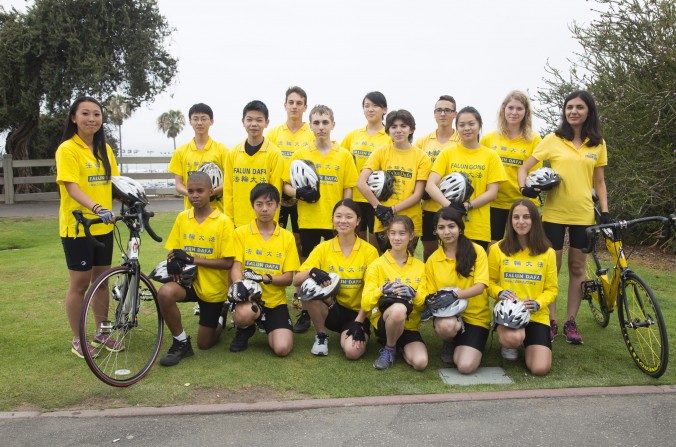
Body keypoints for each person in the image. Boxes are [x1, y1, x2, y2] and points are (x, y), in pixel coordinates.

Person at [518, 90, 610, 344]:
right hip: (554, 214)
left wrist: (605, 211)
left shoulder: (597, 143)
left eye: (579, 107)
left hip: (584, 215)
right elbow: (525, 167)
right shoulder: (553, 139)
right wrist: (525, 187)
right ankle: (550, 320)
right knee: (552, 269)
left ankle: (571, 321)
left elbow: (599, 181)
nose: (573, 111)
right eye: (569, 107)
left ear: (588, 111)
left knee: (578, 268)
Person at [282, 105, 358, 333]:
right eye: (316, 123)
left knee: (338, 266)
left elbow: (348, 190)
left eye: (325, 122)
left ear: (333, 125)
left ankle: (339, 308)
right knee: (309, 268)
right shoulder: (301, 154)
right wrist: (298, 193)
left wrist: (345, 216)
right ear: (310, 125)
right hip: (309, 221)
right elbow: (285, 186)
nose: (321, 127)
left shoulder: (343, 155)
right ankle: (306, 311)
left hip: (335, 223)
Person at [56, 96, 121, 358]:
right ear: (74, 117)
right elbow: (71, 187)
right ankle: (78, 339)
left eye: (96, 114)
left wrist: (133, 200)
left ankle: (102, 333)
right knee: (80, 284)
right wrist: (96, 208)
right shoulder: (67, 149)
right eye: (85, 113)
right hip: (78, 227)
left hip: (103, 228)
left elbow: (115, 183)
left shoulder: (104, 149)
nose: (92, 119)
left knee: (102, 281)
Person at [157, 171, 236, 366]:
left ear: (210, 192)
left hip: (213, 289)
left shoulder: (224, 222)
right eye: (191, 191)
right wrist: (172, 260)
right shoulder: (183, 218)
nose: (194, 195)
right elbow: (174, 250)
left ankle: (220, 316)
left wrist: (194, 258)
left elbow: (227, 262)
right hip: (188, 282)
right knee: (165, 293)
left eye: (200, 191)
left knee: (205, 343)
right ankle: (181, 342)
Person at [293, 199, 379, 358]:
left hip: (356, 313)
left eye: (349, 217)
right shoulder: (323, 248)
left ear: (358, 221)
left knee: (353, 352)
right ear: (332, 220)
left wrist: (358, 322)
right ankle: (321, 335)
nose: (343, 221)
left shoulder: (369, 251)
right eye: (338, 216)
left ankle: (349, 332)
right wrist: (312, 270)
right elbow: (296, 280)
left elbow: (371, 292)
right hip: (331, 308)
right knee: (309, 285)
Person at [228, 183, 300, 356]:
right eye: (259, 204)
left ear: (277, 205)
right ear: (253, 206)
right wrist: (239, 285)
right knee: (244, 313)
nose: (264, 209)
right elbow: (236, 267)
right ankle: (245, 327)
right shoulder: (241, 233)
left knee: (282, 349)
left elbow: (288, 278)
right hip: (249, 299)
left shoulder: (287, 237)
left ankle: (265, 324)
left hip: (275, 302)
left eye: (269, 204)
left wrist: (265, 278)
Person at [488, 200, 557, 375]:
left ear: (535, 220)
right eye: (516, 217)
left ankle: (530, 344)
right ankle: (511, 342)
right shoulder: (498, 249)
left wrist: (537, 303)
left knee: (540, 369)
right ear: (510, 221)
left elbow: (552, 289)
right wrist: (500, 292)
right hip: (508, 315)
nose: (521, 222)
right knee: (514, 338)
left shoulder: (547, 252)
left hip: (536, 316)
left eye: (526, 217)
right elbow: (488, 282)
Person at [426, 106, 506, 251]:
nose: (467, 128)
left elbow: (492, 192)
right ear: (457, 128)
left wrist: (467, 206)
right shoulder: (447, 153)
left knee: (473, 269)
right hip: (449, 226)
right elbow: (430, 185)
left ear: (479, 125)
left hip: (478, 227)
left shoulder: (491, 156)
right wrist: (449, 206)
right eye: (461, 125)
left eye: (471, 124)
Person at [424, 207, 490, 373]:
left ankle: (468, 342)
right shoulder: (432, 260)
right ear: (435, 231)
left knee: (465, 366)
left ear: (460, 228)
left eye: (451, 226)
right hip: (449, 317)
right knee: (446, 326)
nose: (447, 232)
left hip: (476, 317)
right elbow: (432, 294)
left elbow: (481, 286)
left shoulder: (477, 251)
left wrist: (455, 294)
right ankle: (450, 341)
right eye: (441, 227)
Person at [357, 109, 431, 254]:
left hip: (410, 220)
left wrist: (392, 210)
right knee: (385, 264)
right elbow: (361, 182)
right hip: (384, 221)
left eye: (403, 126)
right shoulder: (380, 152)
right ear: (388, 130)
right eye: (393, 126)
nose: (398, 130)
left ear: (411, 129)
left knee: (405, 265)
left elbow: (418, 195)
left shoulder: (422, 157)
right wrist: (378, 207)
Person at [362, 216, 428, 371]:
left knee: (420, 363)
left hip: (409, 326)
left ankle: (399, 346)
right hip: (385, 323)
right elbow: (365, 304)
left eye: (402, 233)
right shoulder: (376, 265)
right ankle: (389, 348)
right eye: (393, 233)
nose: (397, 238)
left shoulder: (421, 267)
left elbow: (423, 306)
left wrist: (413, 294)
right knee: (398, 309)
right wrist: (382, 290)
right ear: (388, 234)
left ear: (411, 236)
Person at [480, 91, 542, 242]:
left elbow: (534, 175)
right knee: (493, 248)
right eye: (510, 108)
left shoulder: (535, 140)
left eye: (519, 109)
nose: (514, 112)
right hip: (495, 202)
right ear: (503, 109)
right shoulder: (489, 138)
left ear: (526, 112)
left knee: (523, 247)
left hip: (523, 203)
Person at [341, 92, 392, 246]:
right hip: (355, 198)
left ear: (385, 110)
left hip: (378, 199)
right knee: (357, 240)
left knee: (377, 242)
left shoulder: (390, 137)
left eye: (375, 105)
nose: (370, 109)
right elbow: (343, 161)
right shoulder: (353, 136)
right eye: (367, 106)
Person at [266, 87, 315, 248]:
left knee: (299, 240)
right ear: (285, 105)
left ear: (305, 107)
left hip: (301, 195)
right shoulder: (274, 134)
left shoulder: (312, 134)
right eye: (291, 102)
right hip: (277, 194)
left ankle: (298, 273)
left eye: (299, 103)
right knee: (274, 239)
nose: (294, 106)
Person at [415, 95, 461, 261]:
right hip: (428, 206)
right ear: (434, 114)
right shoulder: (422, 141)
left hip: (453, 204)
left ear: (455, 114)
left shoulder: (462, 140)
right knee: (429, 251)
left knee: (454, 250)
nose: (443, 114)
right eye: (439, 110)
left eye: (447, 110)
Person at [223, 100, 283, 228]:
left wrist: (272, 224)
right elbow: (228, 191)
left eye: (259, 120)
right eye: (249, 119)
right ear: (243, 121)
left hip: (264, 224)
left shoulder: (275, 154)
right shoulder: (233, 153)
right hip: (237, 224)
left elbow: (276, 193)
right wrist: (229, 220)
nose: (254, 124)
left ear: (266, 123)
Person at [168, 103, 229, 212]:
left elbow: (229, 181)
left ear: (211, 121)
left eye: (204, 119)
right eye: (195, 119)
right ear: (190, 122)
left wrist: (210, 193)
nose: (199, 123)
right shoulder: (180, 152)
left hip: (218, 212)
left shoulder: (222, 150)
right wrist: (193, 194)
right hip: (190, 213)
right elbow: (178, 184)